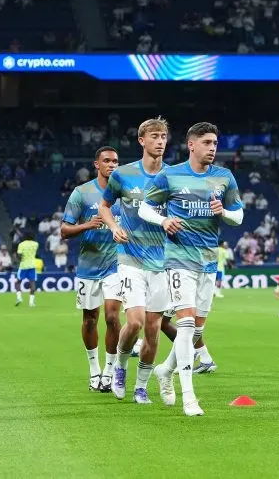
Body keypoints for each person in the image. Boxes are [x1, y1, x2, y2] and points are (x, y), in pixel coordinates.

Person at [141, 121, 243, 416]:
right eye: (207, 143)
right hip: (178, 259)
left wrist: (222, 212)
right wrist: (162, 221)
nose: (213, 148)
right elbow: (144, 207)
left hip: (208, 262)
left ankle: (165, 370)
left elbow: (238, 215)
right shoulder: (170, 175)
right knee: (185, 324)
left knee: (196, 329)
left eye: (215, 143)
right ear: (192, 144)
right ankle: (189, 397)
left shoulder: (224, 177)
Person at [98, 117, 171, 403]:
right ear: (142, 140)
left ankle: (141, 386)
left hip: (163, 263)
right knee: (136, 323)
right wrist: (114, 226)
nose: (160, 141)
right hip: (130, 259)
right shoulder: (123, 175)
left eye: (164, 136)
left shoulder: (173, 176)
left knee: (154, 330)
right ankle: (120, 366)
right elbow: (105, 206)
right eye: (154, 136)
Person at [61, 146, 123, 392]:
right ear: (96, 164)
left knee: (112, 316)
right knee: (89, 320)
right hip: (88, 266)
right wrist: (87, 225)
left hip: (117, 266)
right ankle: (94, 370)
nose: (112, 165)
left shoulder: (126, 193)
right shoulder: (82, 193)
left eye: (115, 161)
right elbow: (64, 230)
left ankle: (109, 372)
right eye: (107, 160)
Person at [14, 234, 40, 307]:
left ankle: (19, 298)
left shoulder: (21, 244)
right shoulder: (36, 244)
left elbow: (19, 255)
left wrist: (19, 259)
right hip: (32, 265)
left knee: (17, 282)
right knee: (32, 283)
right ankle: (31, 302)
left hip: (23, 265)